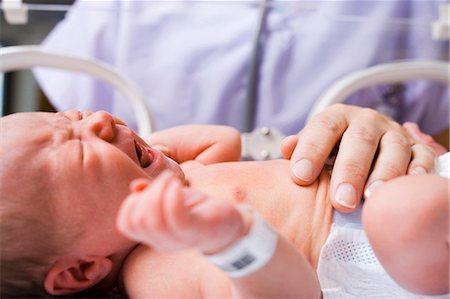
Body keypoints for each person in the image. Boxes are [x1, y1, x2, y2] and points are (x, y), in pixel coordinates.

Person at [34, 0, 450, 216]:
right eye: (73, 128)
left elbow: (433, 147)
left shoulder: (421, 13)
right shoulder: (103, 24)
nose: (98, 122)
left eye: (76, 119)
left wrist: (404, 142)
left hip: (384, 193)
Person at [0, 110, 447, 298]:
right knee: (407, 210)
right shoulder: (155, 271)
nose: (97, 119)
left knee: (413, 202)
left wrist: (164, 158)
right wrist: (232, 241)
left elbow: (225, 142)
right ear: (81, 270)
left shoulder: (178, 180)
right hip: (370, 252)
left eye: (71, 117)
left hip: (389, 201)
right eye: (78, 148)